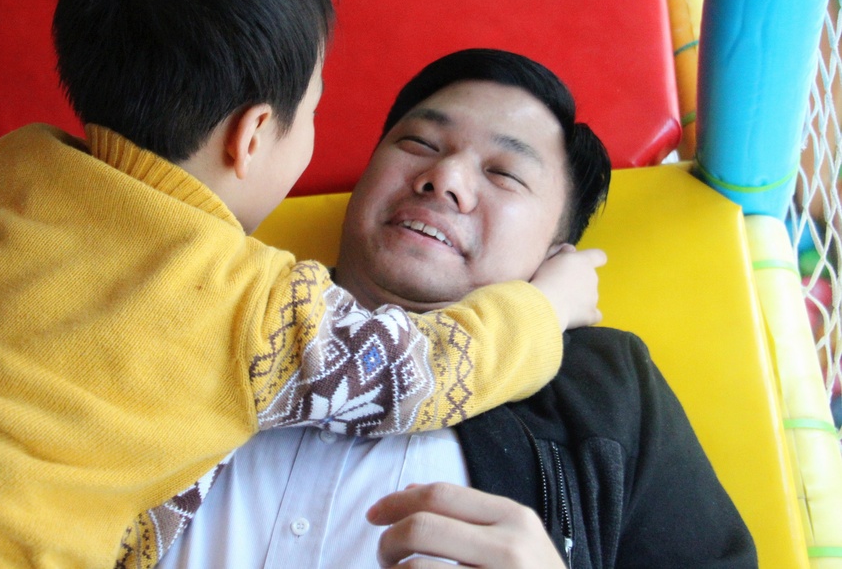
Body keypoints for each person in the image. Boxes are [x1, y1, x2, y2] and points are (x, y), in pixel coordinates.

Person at [0, 0, 607, 569]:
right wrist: (548, 305)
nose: (444, 179)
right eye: (311, 114)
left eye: (505, 174)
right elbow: (428, 372)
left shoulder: (10, 168)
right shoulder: (255, 307)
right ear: (250, 139)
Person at [160, 49, 757, 568]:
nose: (444, 178)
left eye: (504, 173)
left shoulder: (605, 383)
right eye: (419, 143)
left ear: (554, 254)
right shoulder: (225, 298)